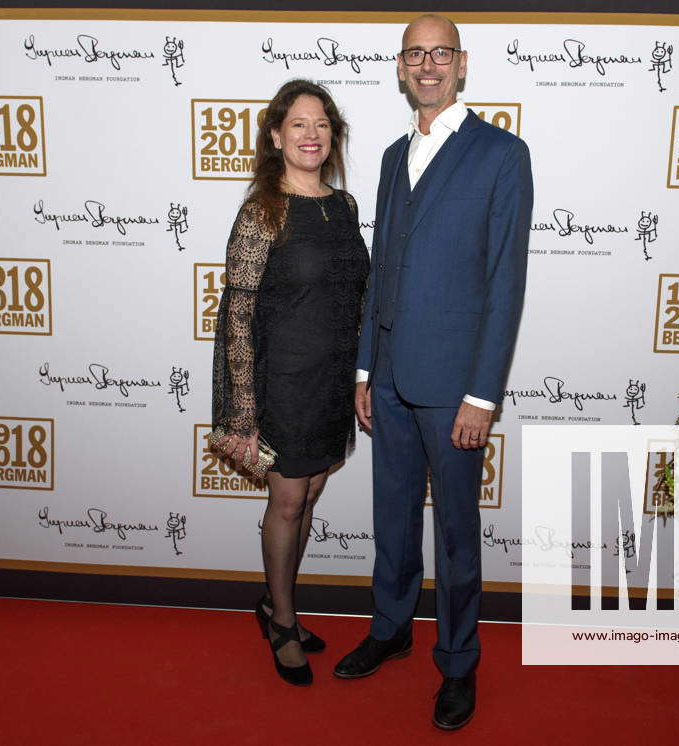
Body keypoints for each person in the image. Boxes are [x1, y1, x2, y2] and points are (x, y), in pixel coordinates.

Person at [332, 14, 533, 730]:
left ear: (462, 63)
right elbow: (382, 269)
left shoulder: (502, 155)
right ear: (400, 66)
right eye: (415, 53)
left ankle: (458, 661)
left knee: (454, 532)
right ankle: (390, 629)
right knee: (391, 518)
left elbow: (505, 281)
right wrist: (362, 366)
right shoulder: (391, 155)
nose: (427, 65)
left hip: (454, 386)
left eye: (439, 52)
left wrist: (482, 393)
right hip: (385, 377)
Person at [211, 79, 369, 687]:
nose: (311, 134)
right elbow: (238, 315)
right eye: (298, 124)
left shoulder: (345, 206)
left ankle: (280, 604)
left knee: (309, 497)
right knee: (286, 500)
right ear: (276, 137)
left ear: (333, 137)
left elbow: (355, 302)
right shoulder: (261, 212)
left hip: (332, 382)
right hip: (282, 385)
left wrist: (363, 376)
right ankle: (281, 620)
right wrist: (243, 411)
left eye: (322, 124)